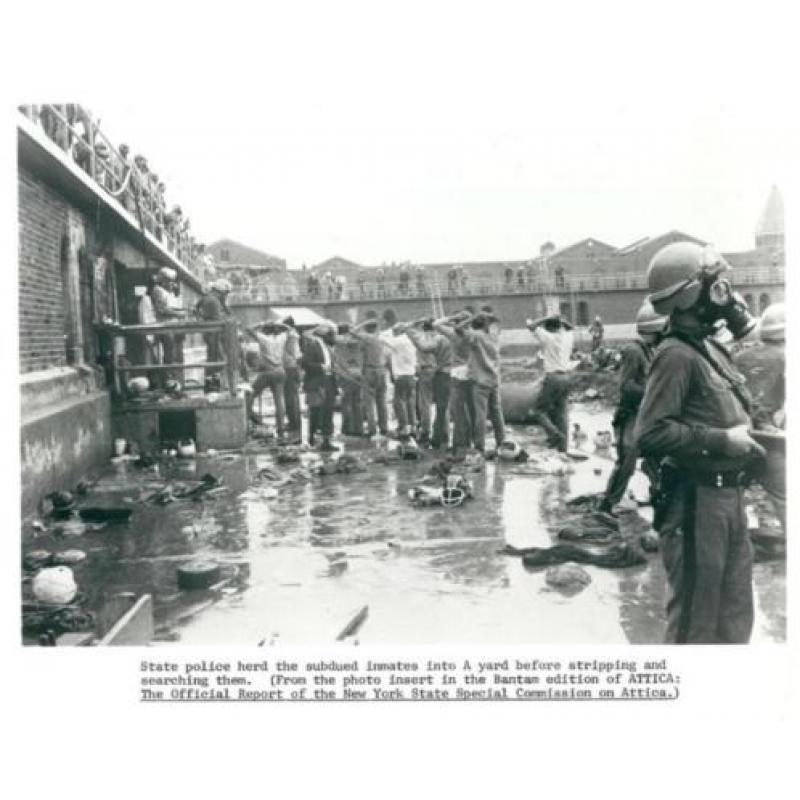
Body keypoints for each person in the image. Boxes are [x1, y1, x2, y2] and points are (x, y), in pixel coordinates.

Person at [635, 241, 765, 644]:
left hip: (730, 500)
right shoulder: (675, 356)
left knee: (736, 616)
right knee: (696, 620)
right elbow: (651, 434)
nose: (726, 294)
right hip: (695, 503)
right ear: (691, 295)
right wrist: (722, 440)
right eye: (717, 286)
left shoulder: (710, 348)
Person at [598, 301, 667, 514]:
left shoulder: (649, 351)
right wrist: (652, 393)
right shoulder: (634, 351)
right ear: (655, 329)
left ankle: (659, 495)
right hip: (631, 417)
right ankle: (608, 505)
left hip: (646, 416)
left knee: (658, 458)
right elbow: (626, 387)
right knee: (627, 462)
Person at [449, 311, 505, 453]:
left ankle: (480, 446)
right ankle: (501, 442)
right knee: (497, 413)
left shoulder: (476, 336)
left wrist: (471, 317)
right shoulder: (494, 336)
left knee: (481, 415)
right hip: (495, 379)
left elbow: (458, 329)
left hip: (480, 381)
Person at [526, 314, 574, 450]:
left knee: (538, 411)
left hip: (553, 377)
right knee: (562, 413)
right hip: (566, 376)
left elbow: (530, 325)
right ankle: (563, 447)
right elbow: (571, 327)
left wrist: (545, 318)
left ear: (549, 328)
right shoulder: (568, 337)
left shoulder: (548, 338)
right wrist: (560, 319)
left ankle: (554, 434)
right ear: (560, 326)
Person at [434, 310, 475, 455]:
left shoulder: (453, 335)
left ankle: (458, 443)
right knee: (470, 409)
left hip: (457, 372)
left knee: (457, 411)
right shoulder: (472, 335)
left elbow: (436, 324)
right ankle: (470, 441)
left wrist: (452, 317)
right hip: (470, 372)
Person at [406, 318, 452, 446]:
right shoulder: (443, 338)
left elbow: (407, 329)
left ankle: (426, 431)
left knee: (425, 403)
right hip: (440, 371)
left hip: (425, 371)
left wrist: (414, 323)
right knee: (442, 405)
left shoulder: (421, 337)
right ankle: (445, 432)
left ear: (423, 328)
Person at [246, 321, 289, 436]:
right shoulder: (281, 338)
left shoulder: (264, 339)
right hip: (280, 370)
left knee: (250, 394)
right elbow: (288, 329)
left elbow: (248, 329)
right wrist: (279, 325)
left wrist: (260, 324)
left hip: (268, 371)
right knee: (279, 400)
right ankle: (281, 428)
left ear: (265, 331)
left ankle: (247, 417)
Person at [350, 312, 389, 437]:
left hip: (369, 371)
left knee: (369, 402)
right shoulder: (381, 338)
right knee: (382, 401)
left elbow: (353, 331)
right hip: (382, 370)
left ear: (366, 329)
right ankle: (384, 427)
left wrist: (363, 323)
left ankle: (372, 429)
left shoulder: (367, 338)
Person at [302, 325, 339, 450]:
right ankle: (312, 439)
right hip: (317, 383)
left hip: (328, 382)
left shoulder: (328, 348)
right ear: (325, 335)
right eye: (332, 335)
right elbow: (305, 363)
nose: (334, 338)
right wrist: (321, 367)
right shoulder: (313, 346)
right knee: (316, 412)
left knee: (328, 411)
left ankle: (326, 441)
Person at [383, 324, 418, 437]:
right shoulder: (410, 341)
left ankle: (403, 427)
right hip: (411, 374)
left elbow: (382, 339)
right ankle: (413, 426)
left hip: (401, 375)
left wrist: (389, 330)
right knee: (410, 402)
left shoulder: (398, 341)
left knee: (399, 402)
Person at [195, 279, 232, 384]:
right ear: (221, 291)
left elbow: (196, 308)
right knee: (217, 359)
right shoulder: (213, 301)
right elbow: (219, 319)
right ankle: (214, 383)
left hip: (210, 333)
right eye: (226, 294)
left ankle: (212, 382)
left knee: (213, 358)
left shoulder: (208, 298)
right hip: (213, 334)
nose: (226, 296)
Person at [334, 324, 365, 436]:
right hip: (358, 373)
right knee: (357, 402)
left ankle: (348, 428)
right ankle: (359, 428)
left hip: (345, 374)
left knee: (347, 403)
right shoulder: (357, 341)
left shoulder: (339, 342)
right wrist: (354, 331)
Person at [282, 316, 303, 443]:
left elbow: (294, 353)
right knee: (294, 397)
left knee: (290, 397)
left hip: (289, 367)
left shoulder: (290, 337)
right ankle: (296, 422)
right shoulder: (295, 335)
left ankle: (293, 423)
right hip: (294, 367)